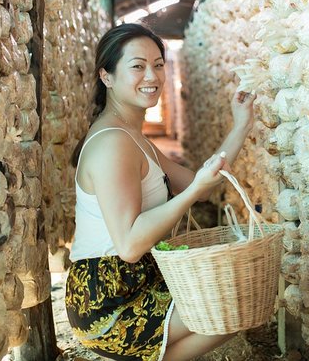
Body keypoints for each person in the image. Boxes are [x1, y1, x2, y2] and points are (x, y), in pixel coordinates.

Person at [65, 23, 256, 361]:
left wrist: (241, 124)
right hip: (109, 297)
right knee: (231, 302)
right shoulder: (112, 143)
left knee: (237, 302)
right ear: (106, 77)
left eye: (157, 64)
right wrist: (190, 193)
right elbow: (128, 244)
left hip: (139, 278)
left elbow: (201, 181)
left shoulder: (134, 137)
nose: (151, 75)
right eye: (137, 66)